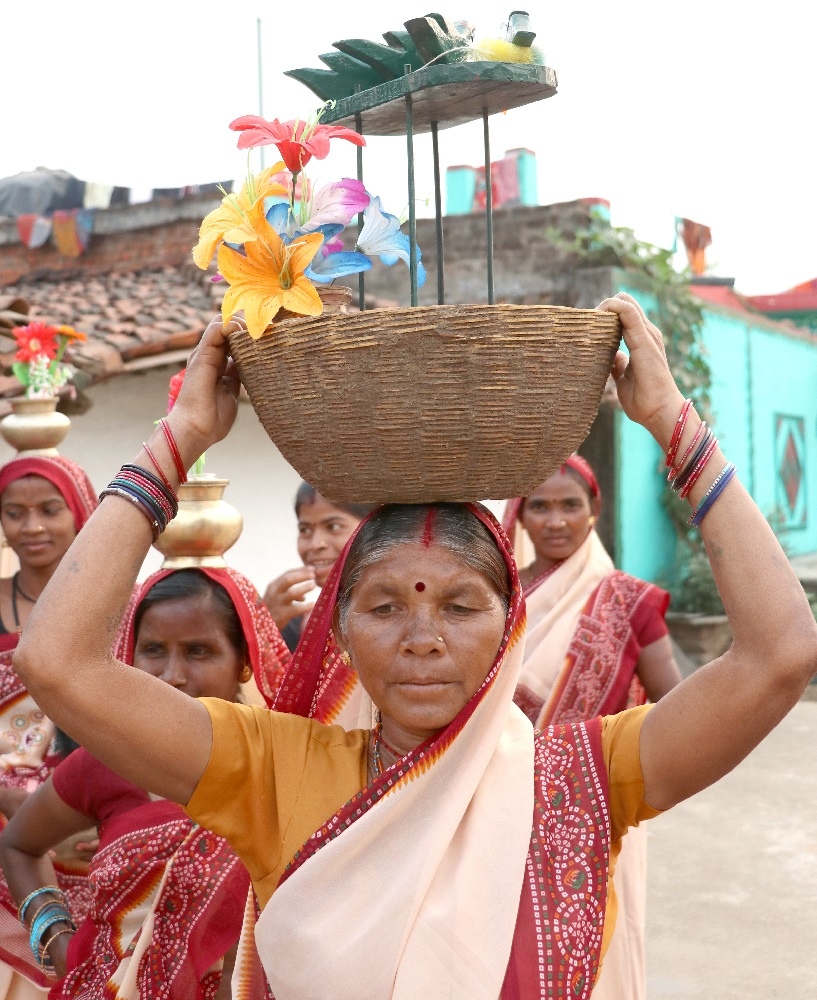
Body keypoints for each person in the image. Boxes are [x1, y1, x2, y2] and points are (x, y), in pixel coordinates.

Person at [10, 295, 817, 999]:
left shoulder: (583, 780)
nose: (422, 638)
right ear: (341, 634)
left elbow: (779, 654)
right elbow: (58, 664)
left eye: (461, 605)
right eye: (384, 606)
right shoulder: (269, 767)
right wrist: (179, 438)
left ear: (511, 627)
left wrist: (672, 423)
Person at [0, 566, 288, 999]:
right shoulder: (105, 762)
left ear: (244, 661)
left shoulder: (285, 763)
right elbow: (19, 846)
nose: (172, 674)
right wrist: (57, 941)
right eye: (153, 649)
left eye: (199, 651)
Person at [503, 457, 683, 999]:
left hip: (597, 801)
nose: (555, 520)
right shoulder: (498, 595)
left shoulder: (629, 601)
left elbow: (674, 701)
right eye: (540, 506)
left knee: (597, 935)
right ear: (520, 516)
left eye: (569, 505)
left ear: (594, 512)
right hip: (498, 793)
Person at [0, 456, 97, 999]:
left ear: (81, 513)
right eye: (15, 513)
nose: (32, 527)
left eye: (48, 510)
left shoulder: (119, 603)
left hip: (95, 809)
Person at [263, 482, 374, 652]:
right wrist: (263, 626)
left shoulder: (405, 619)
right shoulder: (291, 625)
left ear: (374, 529)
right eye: (305, 530)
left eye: (334, 527)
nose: (315, 544)